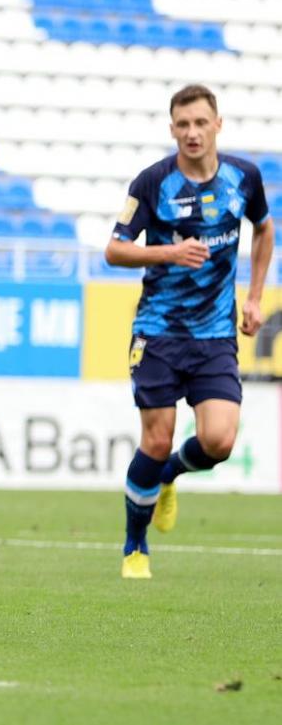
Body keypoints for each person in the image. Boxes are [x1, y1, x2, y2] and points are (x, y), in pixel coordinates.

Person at [105, 84, 273, 580]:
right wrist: (170, 252)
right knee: (155, 440)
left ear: (217, 125)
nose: (192, 132)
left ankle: (170, 475)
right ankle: (135, 547)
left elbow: (264, 229)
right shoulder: (153, 182)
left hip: (215, 335)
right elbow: (114, 250)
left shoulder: (244, 178)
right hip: (158, 332)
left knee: (219, 441)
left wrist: (255, 297)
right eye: (183, 124)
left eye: (201, 122)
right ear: (172, 129)